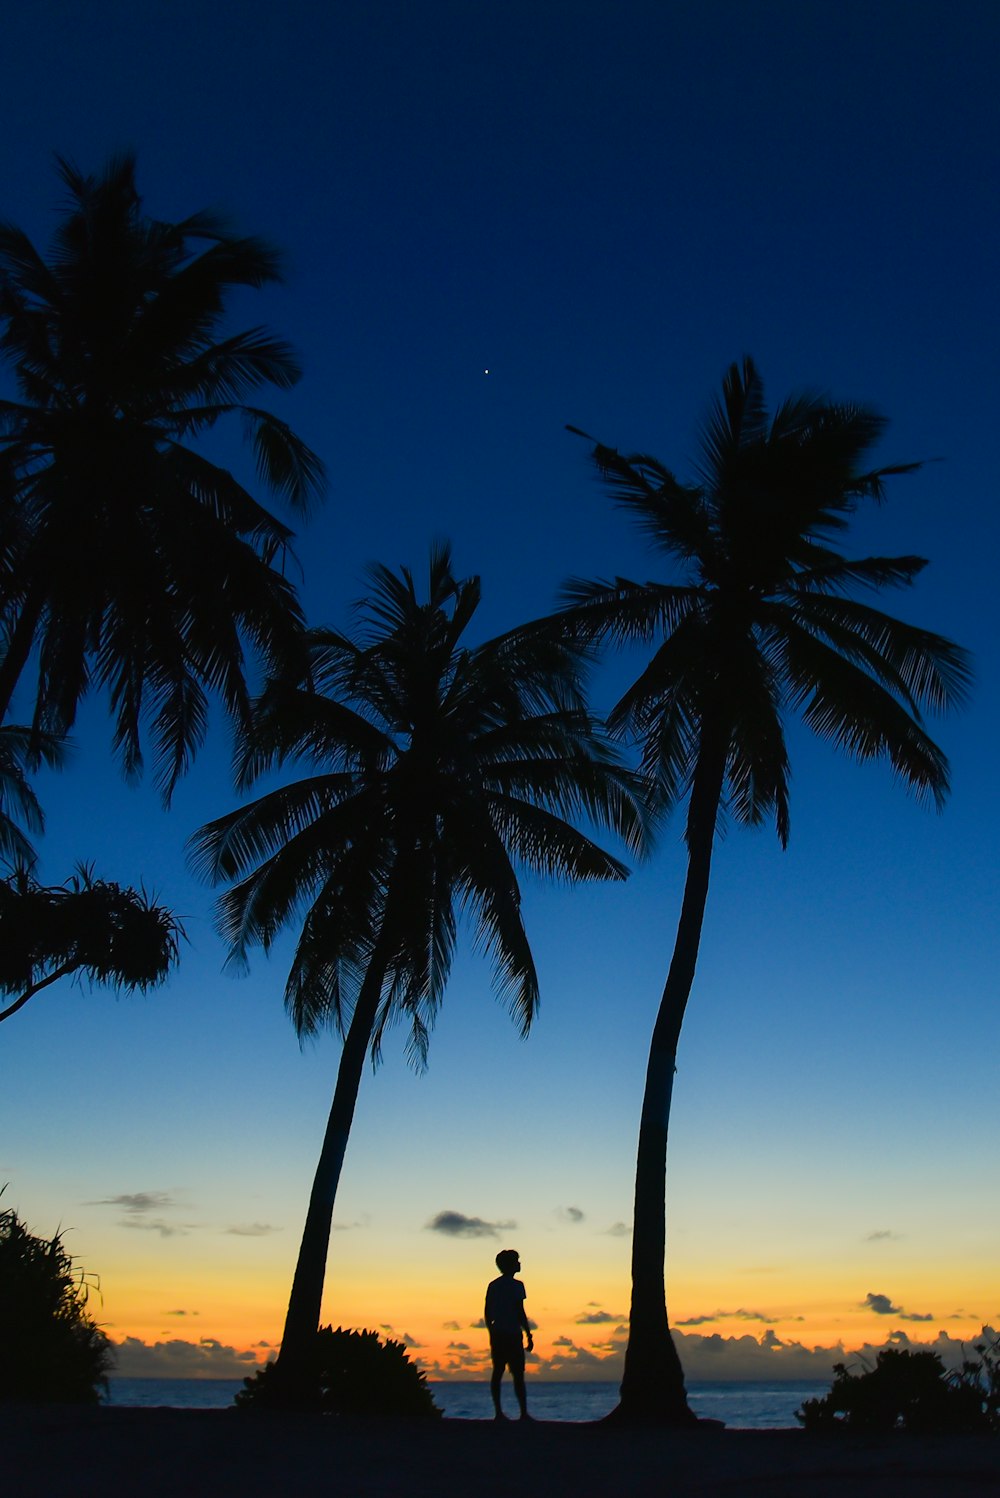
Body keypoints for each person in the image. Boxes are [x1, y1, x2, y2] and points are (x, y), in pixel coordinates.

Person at [484, 1248, 533, 1420]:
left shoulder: (494, 1285)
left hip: (501, 1333)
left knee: (500, 1372)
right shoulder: (516, 1286)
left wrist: (492, 1332)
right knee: (516, 1374)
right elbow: (520, 1312)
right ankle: (521, 1413)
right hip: (511, 1334)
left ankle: (500, 1412)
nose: (519, 1263)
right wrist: (529, 1334)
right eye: (516, 1261)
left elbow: (487, 1312)